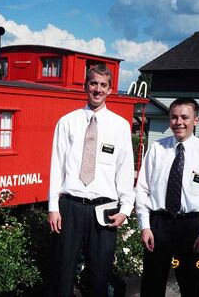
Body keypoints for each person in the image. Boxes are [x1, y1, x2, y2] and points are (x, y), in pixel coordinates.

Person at [48, 64, 135, 297]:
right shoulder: (67, 121)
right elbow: (57, 166)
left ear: (110, 90)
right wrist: (53, 208)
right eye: (93, 83)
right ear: (86, 86)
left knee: (100, 273)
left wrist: (126, 209)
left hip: (105, 209)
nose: (98, 89)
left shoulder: (120, 126)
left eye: (103, 85)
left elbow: (125, 169)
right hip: (71, 206)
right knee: (63, 271)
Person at [135, 97, 199, 297]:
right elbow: (142, 189)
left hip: (190, 228)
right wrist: (145, 226)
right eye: (174, 117)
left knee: (191, 285)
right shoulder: (157, 150)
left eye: (185, 117)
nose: (179, 122)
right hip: (159, 224)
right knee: (152, 284)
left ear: (196, 120)